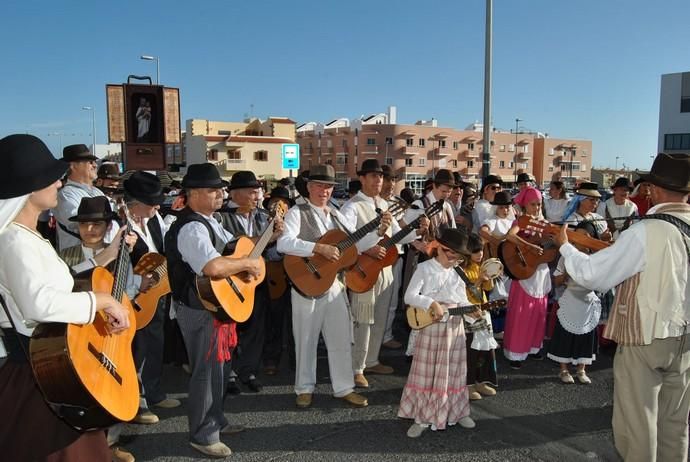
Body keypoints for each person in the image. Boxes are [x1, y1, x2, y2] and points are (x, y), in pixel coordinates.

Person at [0, 134, 130, 461]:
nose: (59, 184)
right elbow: (39, 304)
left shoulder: (27, 236)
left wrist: (101, 267)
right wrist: (103, 301)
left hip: (49, 367)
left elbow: (58, 285)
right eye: (51, 178)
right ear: (29, 188)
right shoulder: (15, 240)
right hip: (35, 373)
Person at [553, 153, 690, 462]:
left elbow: (593, 275)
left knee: (637, 422)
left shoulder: (646, 231)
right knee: (676, 422)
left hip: (645, 335)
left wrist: (564, 246)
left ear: (651, 189)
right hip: (686, 339)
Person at [165, 163, 262, 458]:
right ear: (193, 194)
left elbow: (230, 251)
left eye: (220, 189)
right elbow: (213, 266)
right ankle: (204, 435)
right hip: (199, 308)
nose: (221, 194)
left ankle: (215, 420)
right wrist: (247, 264)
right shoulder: (192, 227)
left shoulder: (210, 220)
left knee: (220, 368)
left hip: (215, 305)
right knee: (206, 372)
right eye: (213, 190)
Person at [277, 164, 387, 409]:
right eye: (318, 185)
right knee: (305, 339)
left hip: (334, 284)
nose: (324, 191)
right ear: (308, 187)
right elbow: (284, 243)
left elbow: (354, 245)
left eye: (327, 186)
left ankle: (344, 387)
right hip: (306, 283)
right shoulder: (297, 212)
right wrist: (318, 248)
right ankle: (304, 388)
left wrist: (379, 231)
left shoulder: (337, 214)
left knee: (341, 339)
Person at [58, 196, 141, 462]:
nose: (90, 230)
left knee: (117, 382)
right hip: (79, 331)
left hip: (112, 331)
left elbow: (126, 290)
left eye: (96, 224)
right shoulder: (63, 256)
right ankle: (85, 445)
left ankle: (111, 443)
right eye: (84, 225)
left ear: (107, 227)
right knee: (84, 387)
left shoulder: (121, 251)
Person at [341, 160, 425, 389]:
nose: (378, 180)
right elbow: (342, 239)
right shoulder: (351, 206)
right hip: (362, 271)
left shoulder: (384, 205)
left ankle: (371, 360)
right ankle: (356, 368)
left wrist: (417, 229)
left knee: (378, 319)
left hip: (384, 269)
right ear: (362, 179)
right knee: (362, 319)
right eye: (373, 176)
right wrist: (364, 248)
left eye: (380, 176)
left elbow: (398, 235)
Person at [398, 228, 476, 438]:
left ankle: (457, 412)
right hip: (430, 326)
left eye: (458, 256)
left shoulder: (458, 272)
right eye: (451, 254)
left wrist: (473, 311)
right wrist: (431, 302)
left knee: (454, 371)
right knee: (427, 373)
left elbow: (461, 299)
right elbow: (409, 296)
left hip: (454, 329)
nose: (454, 259)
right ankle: (421, 417)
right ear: (440, 248)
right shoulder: (424, 268)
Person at [122, 172, 182, 423]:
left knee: (155, 343)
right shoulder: (121, 225)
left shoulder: (155, 217)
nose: (158, 205)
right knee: (137, 349)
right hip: (134, 294)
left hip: (159, 291)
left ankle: (154, 392)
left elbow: (165, 241)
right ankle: (136, 402)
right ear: (134, 203)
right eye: (152, 201)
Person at [218, 171, 284, 394]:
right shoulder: (220, 217)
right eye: (252, 191)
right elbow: (226, 247)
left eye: (258, 191)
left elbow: (274, 255)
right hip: (229, 282)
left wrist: (276, 238)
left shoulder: (264, 217)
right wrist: (267, 238)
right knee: (230, 327)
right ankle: (227, 374)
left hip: (256, 281)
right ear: (235, 193)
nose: (257, 196)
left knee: (256, 328)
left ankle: (248, 370)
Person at [546, 221, 602, 385]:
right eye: (575, 234)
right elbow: (556, 280)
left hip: (588, 301)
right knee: (565, 335)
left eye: (584, 235)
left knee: (586, 334)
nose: (579, 238)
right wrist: (567, 274)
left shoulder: (597, 257)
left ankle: (581, 369)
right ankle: (563, 369)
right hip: (570, 299)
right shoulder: (566, 256)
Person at [502, 187, 552, 369]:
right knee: (522, 313)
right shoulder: (521, 221)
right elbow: (510, 236)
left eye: (539, 204)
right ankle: (515, 352)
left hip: (540, 271)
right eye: (533, 204)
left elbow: (550, 247)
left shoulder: (546, 223)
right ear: (525, 205)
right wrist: (529, 245)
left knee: (539, 312)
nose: (537, 208)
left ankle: (533, 346)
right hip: (524, 271)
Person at [53, 144, 118, 250]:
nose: (95, 165)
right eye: (90, 162)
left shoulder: (97, 192)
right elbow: (80, 227)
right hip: (79, 260)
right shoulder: (65, 195)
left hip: (105, 254)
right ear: (73, 166)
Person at [458, 233, 498, 400]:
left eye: (481, 250)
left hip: (483, 311)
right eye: (475, 251)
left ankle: (482, 381)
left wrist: (490, 277)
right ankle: (467, 385)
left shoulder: (480, 266)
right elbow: (462, 293)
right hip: (468, 314)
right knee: (471, 350)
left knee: (485, 350)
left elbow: (489, 288)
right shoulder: (461, 269)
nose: (479, 254)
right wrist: (479, 280)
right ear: (467, 252)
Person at [261, 186, 295, 375]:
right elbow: (271, 254)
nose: (280, 206)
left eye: (283, 203)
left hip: (295, 278)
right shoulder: (265, 222)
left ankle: (294, 361)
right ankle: (271, 360)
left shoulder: (295, 222)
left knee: (294, 325)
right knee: (273, 322)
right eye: (275, 203)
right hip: (273, 280)